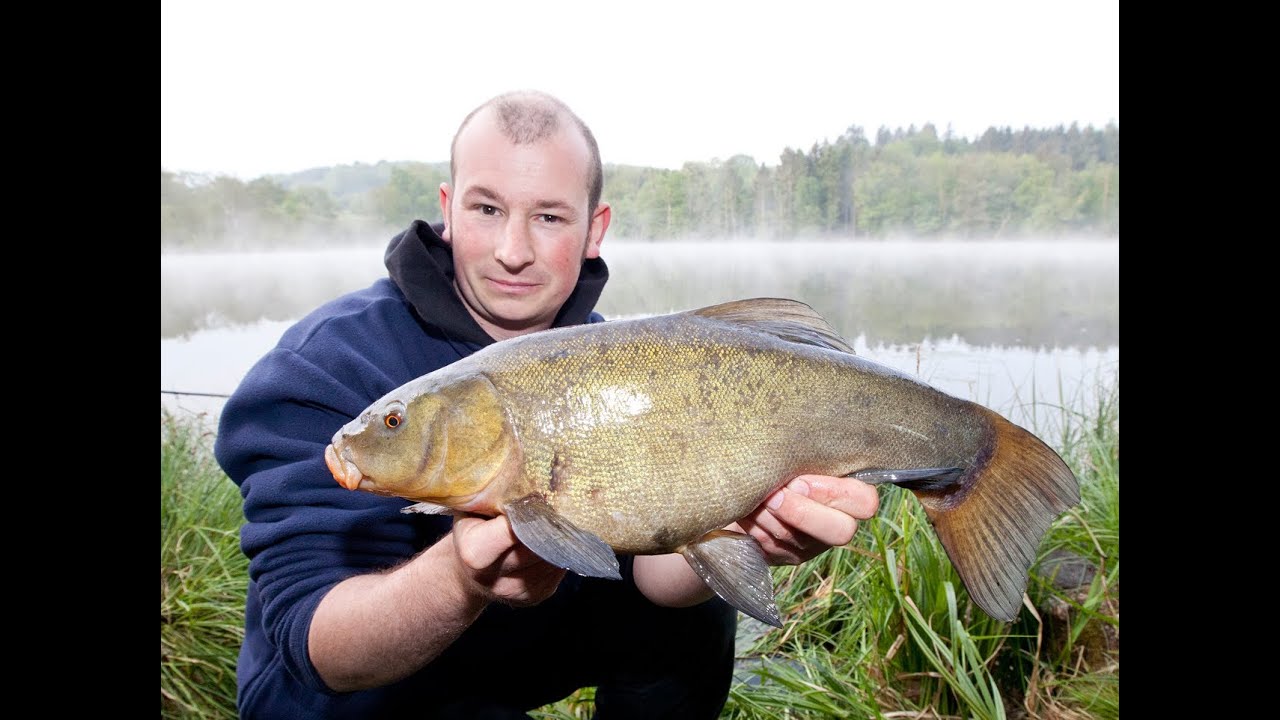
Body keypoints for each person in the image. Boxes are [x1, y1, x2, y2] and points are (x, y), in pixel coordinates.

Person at [214, 90, 881, 719]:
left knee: (699, 614)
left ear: (595, 228)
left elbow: (655, 577)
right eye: (486, 209)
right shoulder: (322, 367)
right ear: (447, 210)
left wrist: (748, 529)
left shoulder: (615, 362)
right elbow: (320, 648)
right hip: (353, 686)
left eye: (549, 216)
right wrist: (460, 576)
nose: (513, 251)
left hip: (529, 643)